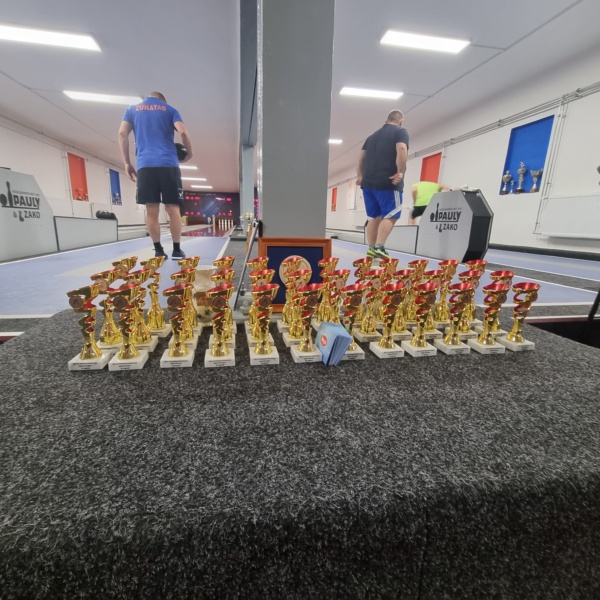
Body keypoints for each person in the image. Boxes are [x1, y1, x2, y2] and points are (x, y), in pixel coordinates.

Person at [118, 91, 193, 259]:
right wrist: (189, 153)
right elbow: (183, 132)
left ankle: (158, 251)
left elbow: (122, 134)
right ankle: (176, 250)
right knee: (173, 208)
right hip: (168, 164)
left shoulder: (131, 110)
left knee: (151, 209)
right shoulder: (170, 109)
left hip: (145, 165)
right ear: (163, 101)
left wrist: (127, 163)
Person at [356, 109, 409, 259]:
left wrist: (360, 176)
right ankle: (379, 247)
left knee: (374, 216)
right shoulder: (401, 131)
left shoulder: (371, 137)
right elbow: (401, 148)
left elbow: (360, 158)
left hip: (368, 183)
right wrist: (400, 171)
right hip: (388, 181)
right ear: (401, 121)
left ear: (386, 120)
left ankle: (371, 249)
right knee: (392, 214)